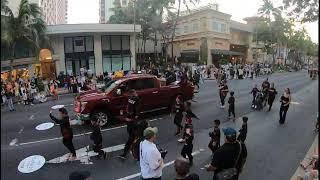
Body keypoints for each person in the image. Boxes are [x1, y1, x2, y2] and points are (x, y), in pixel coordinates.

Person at [119, 89, 141, 159]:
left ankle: (126, 153)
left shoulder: (130, 99)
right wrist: (135, 117)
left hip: (130, 121)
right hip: (132, 121)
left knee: (131, 138)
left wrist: (127, 117)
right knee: (133, 138)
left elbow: (128, 108)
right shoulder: (136, 99)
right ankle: (133, 152)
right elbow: (137, 110)